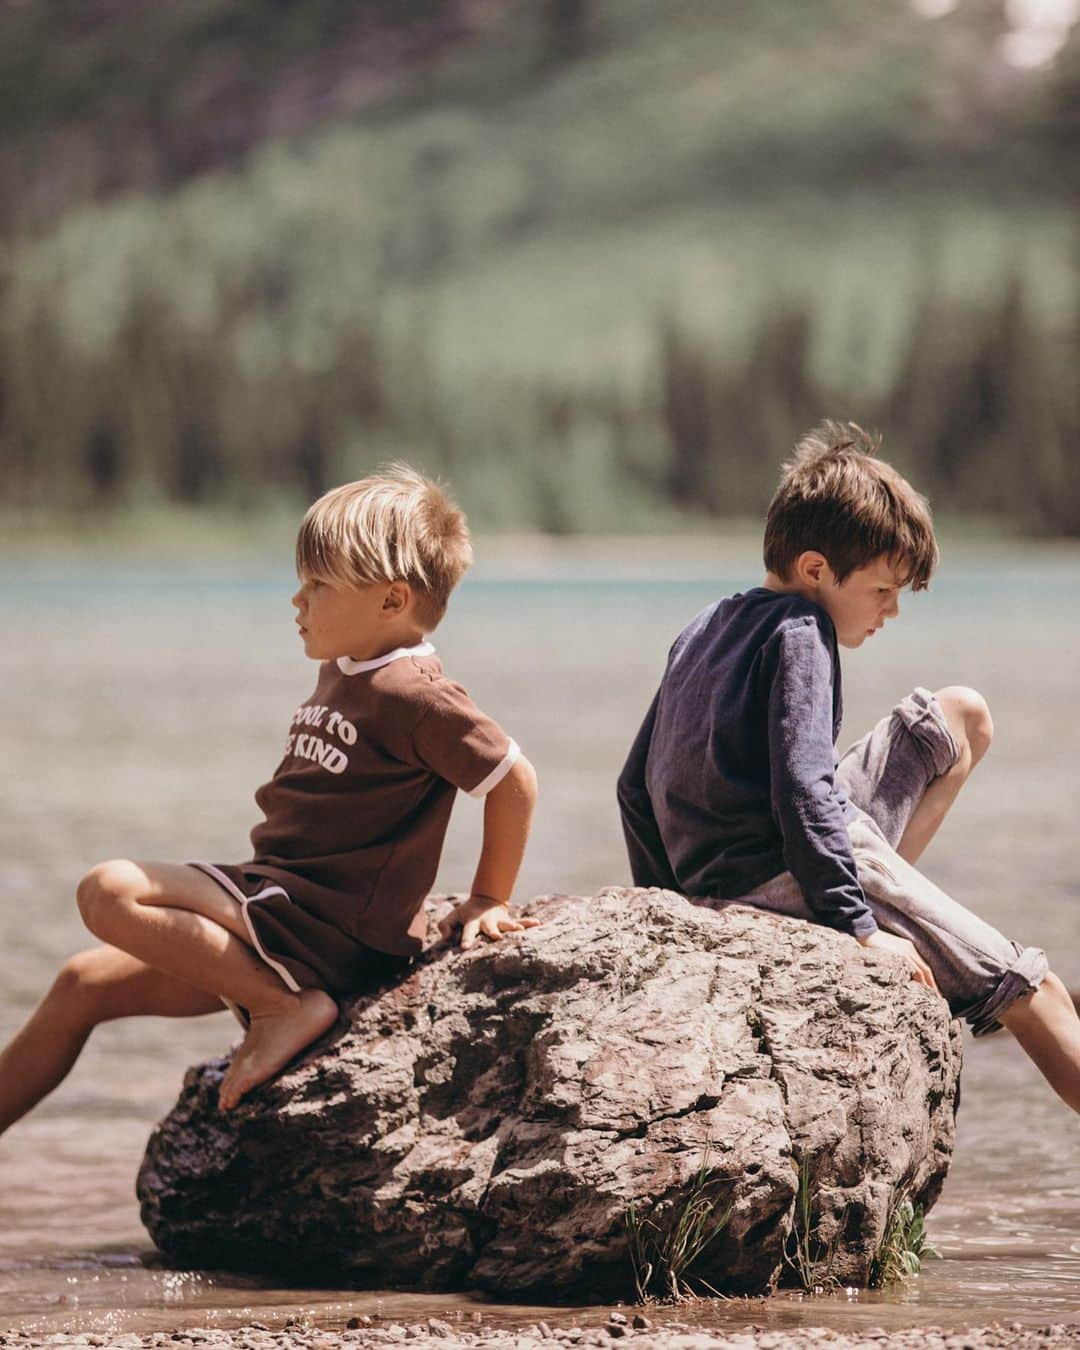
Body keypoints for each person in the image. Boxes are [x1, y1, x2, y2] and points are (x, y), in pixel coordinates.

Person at [0, 466, 538, 1131]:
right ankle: (272, 995)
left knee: (108, 891)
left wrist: (489, 896)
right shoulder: (348, 669)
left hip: (317, 933)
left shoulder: (419, 696)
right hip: (275, 915)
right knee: (82, 984)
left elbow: (513, 779)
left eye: (318, 584)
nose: (297, 600)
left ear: (392, 601)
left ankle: (284, 1008)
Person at [617, 421, 1080, 1114]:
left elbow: (632, 787)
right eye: (883, 591)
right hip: (783, 875)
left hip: (736, 873)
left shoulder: (707, 623)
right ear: (814, 570)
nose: (892, 611)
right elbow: (803, 791)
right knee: (1031, 989)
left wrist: (673, 907)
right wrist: (858, 929)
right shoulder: (801, 633)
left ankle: (896, 903)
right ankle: (882, 912)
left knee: (959, 717)